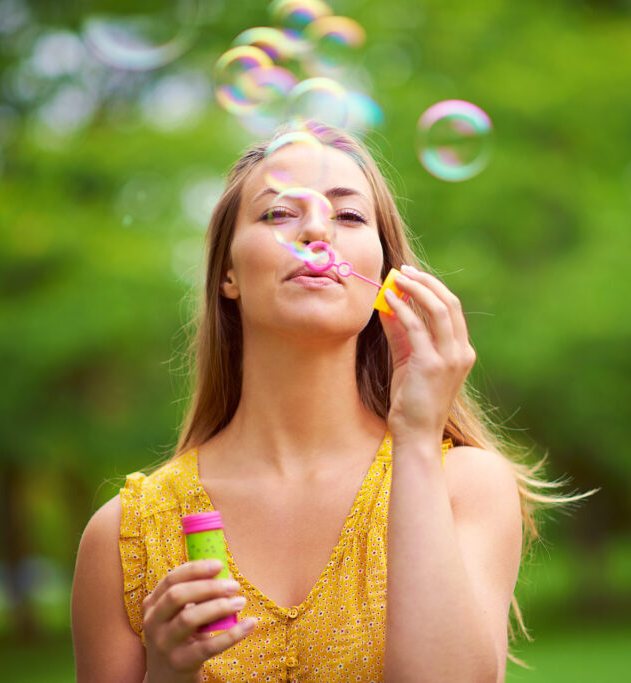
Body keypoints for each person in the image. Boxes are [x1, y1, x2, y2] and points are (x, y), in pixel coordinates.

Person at [71, 122, 566, 682]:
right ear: (227, 273)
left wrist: (417, 436)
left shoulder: (464, 485)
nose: (314, 229)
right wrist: (166, 675)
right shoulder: (123, 535)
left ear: (384, 273)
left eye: (349, 216)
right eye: (278, 213)